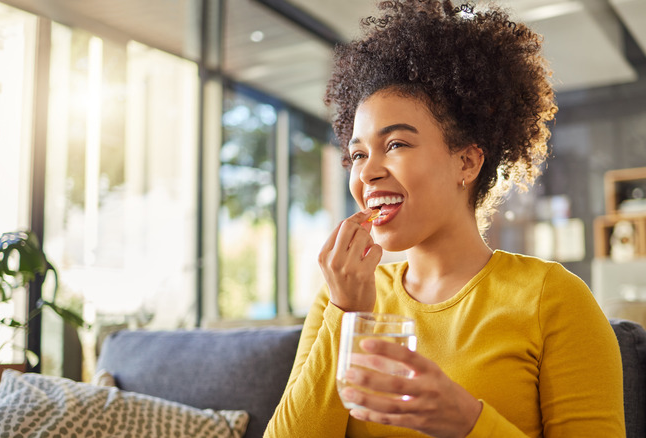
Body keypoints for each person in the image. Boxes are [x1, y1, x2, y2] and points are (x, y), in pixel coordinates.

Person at [264, 1, 625, 436]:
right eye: (357, 154)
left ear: (467, 162)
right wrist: (347, 314)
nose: (367, 171)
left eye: (395, 144)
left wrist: (466, 421)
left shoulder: (553, 299)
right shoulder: (343, 297)